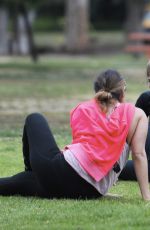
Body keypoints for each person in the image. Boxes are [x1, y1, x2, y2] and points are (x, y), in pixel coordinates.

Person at [0, 69, 150, 200]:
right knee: (17, 183)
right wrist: (146, 197)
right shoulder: (138, 115)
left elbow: (80, 149)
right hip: (91, 191)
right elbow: (138, 154)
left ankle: (32, 171)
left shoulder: (85, 108)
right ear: (122, 92)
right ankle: (35, 175)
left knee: (34, 118)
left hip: (59, 174)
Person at [119, 61, 150, 181]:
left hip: (147, 166)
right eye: (149, 80)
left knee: (113, 168)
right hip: (145, 160)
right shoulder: (146, 98)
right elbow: (129, 130)